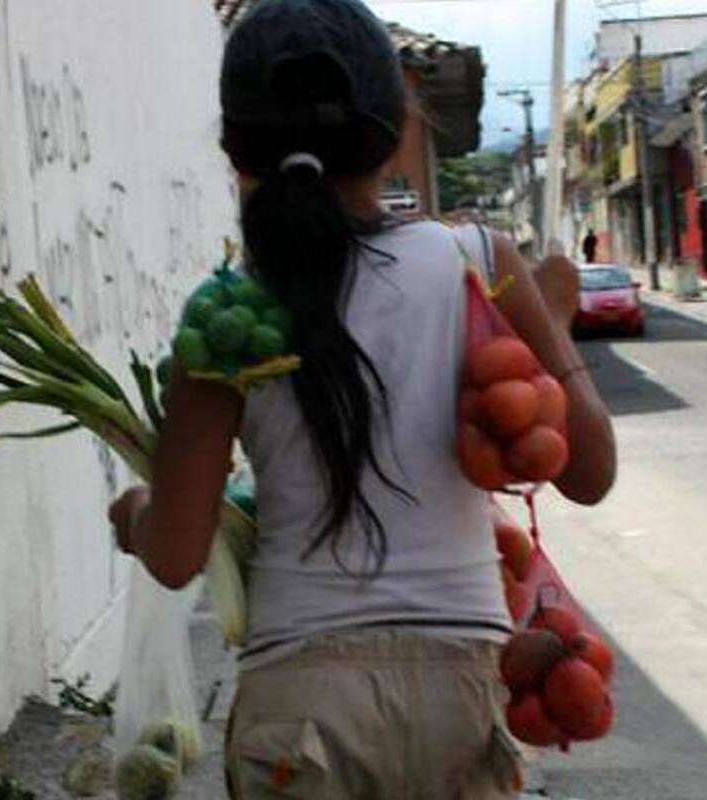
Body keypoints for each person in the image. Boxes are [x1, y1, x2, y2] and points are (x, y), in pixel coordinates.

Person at [108, 1, 616, 796]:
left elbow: (175, 556)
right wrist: (552, 317)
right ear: (397, 131)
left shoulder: (226, 320)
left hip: (297, 704)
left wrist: (136, 512)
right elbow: (590, 473)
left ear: (235, 151)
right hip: (459, 693)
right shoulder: (478, 262)